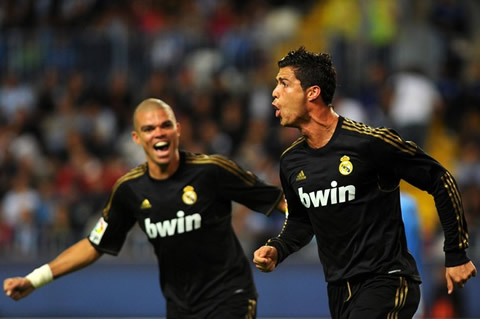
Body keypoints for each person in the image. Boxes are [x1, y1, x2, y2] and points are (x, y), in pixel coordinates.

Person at [4, 98, 286, 319]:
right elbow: (94, 245)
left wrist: (324, 221)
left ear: (177, 129)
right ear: (137, 138)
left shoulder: (212, 170)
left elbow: (278, 201)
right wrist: (34, 279)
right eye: (149, 129)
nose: (158, 134)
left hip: (230, 296)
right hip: (180, 306)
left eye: (165, 125)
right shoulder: (130, 190)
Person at [252, 47, 477, 319]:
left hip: (388, 282)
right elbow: (301, 221)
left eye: (283, 83)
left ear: (312, 92)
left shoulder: (370, 143)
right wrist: (277, 248)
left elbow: (440, 179)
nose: (274, 92)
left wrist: (456, 254)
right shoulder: (291, 161)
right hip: (338, 291)